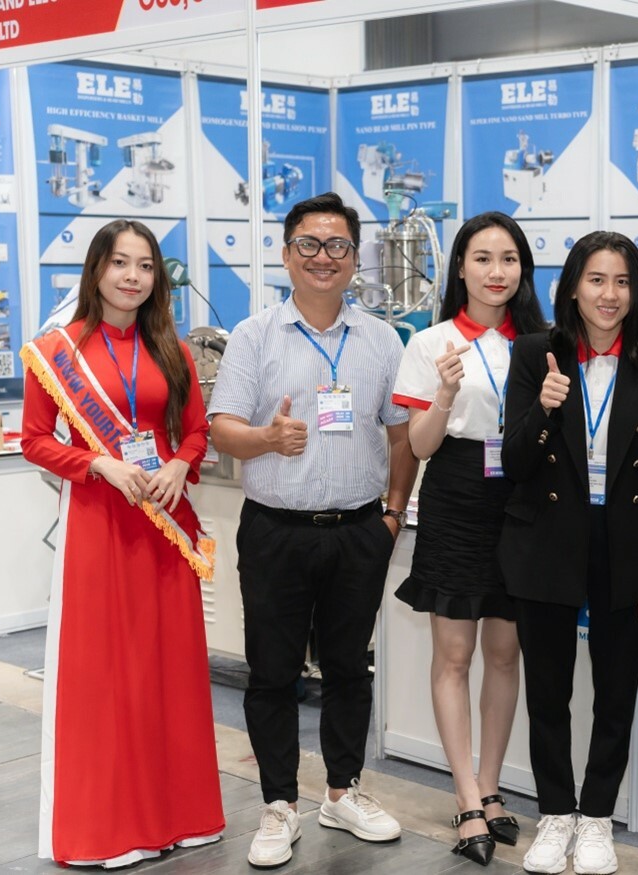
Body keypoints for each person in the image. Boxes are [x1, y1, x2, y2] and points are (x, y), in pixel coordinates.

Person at [208, 192, 417, 869]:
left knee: (350, 669)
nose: (323, 257)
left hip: (358, 531)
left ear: (354, 258)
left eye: (337, 246)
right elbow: (223, 429)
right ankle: (278, 803)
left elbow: (401, 433)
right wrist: (266, 438)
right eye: (309, 244)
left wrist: (392, 513)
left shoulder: (382, 340)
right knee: (272, 672)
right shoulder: (254, 335)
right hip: (275, 530)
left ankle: (342, 791)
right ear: (286, 253)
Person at [20, 218, 223, 867]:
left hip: (162, 522)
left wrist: (179, 465)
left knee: (171, 669)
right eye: (120, 263)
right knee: (105, 674)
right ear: (97, 270)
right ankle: (107, 829)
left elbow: (196, 431)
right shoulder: (56, 351)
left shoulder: (172, 349)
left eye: (145, 265)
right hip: (99, 522)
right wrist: (97, 464)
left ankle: (182, 816)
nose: (133, 276)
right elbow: (33, 441)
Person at [499, 231, 638, 875]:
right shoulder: (535, 353)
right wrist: (543, 410)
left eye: (623, 282)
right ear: (573, 285)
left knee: (616, 689)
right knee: (547, 692)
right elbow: (514, 462)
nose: (610, 294)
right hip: (547, 538)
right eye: (597, 279)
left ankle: (597, 815)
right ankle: (555, 813)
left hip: (623, 543)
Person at [389, 211, 545, 865]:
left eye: (508, 259)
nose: (495, 271)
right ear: (460, 268)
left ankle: (491, 785)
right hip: (455, 495)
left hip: (521, 499)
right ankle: (465, 797)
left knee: (505, 654)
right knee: (454, 656)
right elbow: (420, 445)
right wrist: (446, 394)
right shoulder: (431, 343)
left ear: (522, 269)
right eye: (482, 258)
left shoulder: (540, 343)